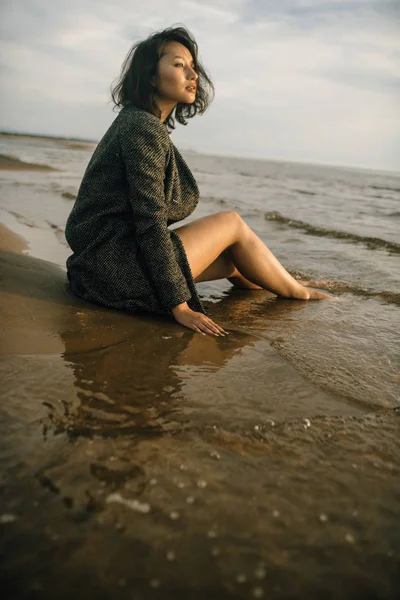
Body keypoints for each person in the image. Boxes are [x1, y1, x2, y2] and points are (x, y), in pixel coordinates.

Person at [65, 25, 330, 338]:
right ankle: (300, 294)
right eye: (179, 65)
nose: (193, 75)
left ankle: (285, 283)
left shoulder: (138, 122)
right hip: (115, 269)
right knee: (231, 223)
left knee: (235, 259)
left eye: (193, 67)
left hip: (101, 267)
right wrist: (179, 305)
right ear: (151, 75)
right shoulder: (142, 128)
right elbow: (149, 221)